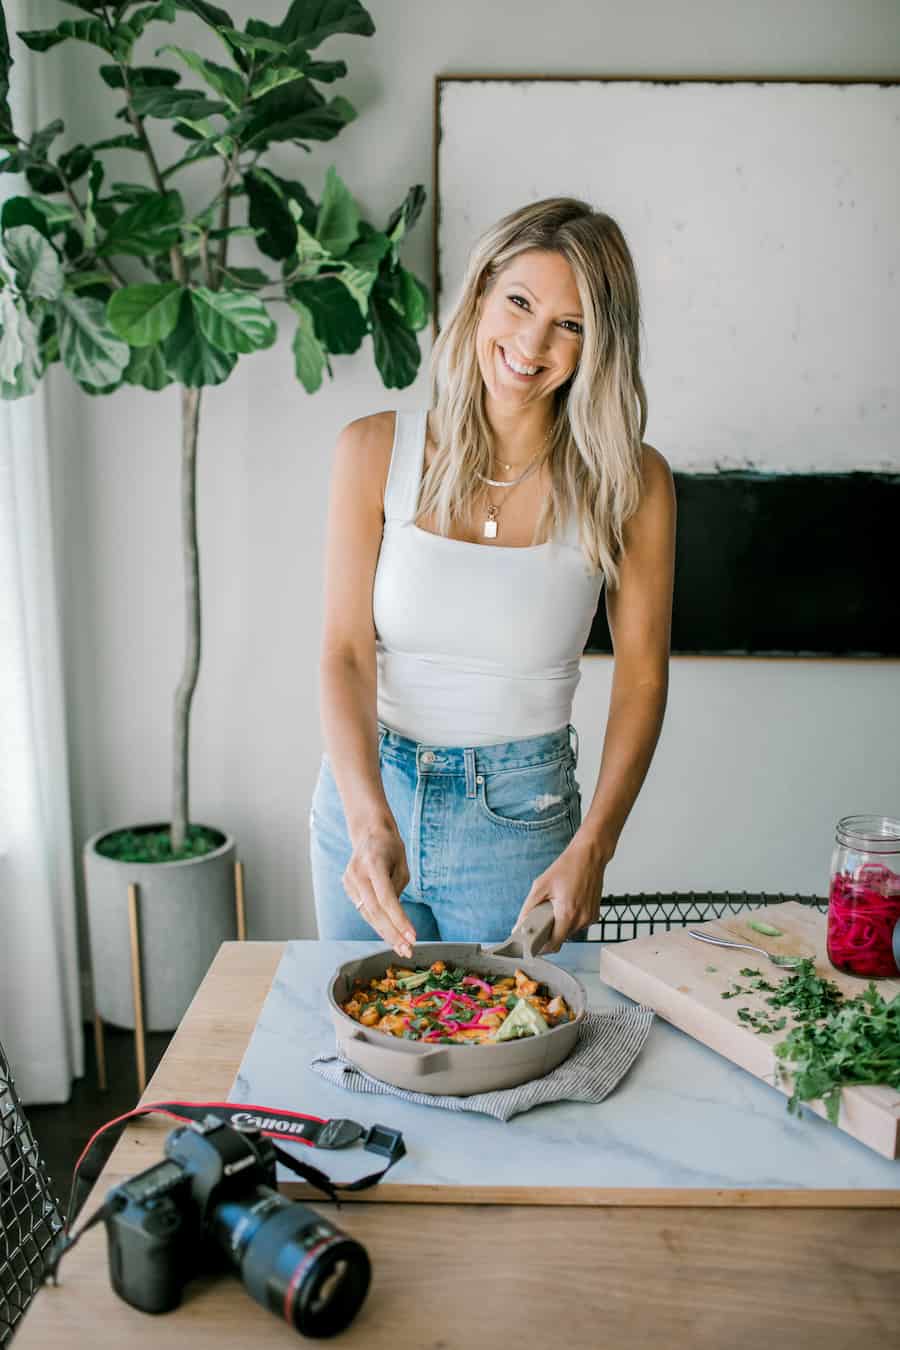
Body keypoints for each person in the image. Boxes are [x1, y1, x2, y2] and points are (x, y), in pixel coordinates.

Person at [310, 196, 676, 958]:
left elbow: (641, 679)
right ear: (480, 295)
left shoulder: (632, 481)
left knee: (512, 1058)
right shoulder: (373, 450)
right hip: (369, 797)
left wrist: (595, 847)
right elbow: (345, 653)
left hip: (522, 819)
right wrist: (368, 820)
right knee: (355, 1048)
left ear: (598, 344)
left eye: (569, 325)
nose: (531, 342)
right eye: (519, 302)